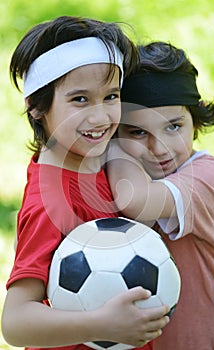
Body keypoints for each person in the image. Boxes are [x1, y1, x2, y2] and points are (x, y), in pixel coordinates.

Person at [1, 18, 170, 350]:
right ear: (36, 107)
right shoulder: (49, 202)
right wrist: (101, 325)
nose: (100, 117)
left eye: (111, 97)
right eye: (80, 100)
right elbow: (15, 322)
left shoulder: (104, 159)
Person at [107, 41, 214, 350]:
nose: (160, 148)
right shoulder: (123, 174)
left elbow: (135, 202)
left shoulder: (208, 176)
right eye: (138, 132)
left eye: (174, 127)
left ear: (196, 120)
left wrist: (107, 146)